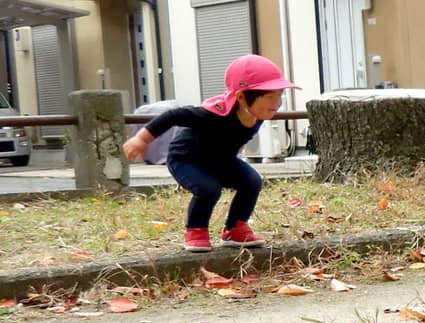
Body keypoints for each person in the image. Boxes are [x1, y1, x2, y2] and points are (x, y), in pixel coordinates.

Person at [120, 55, 297, 252]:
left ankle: (235, 229)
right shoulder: (213, 114)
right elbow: (173, 115)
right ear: (240, 96)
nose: (277, 103)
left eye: (279, 95)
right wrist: (142, 139)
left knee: (251, 181)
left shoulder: (258, 113)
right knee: (208, 188)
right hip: (186, 159)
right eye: (269, 96)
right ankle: (196, 230)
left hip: (221, 160)